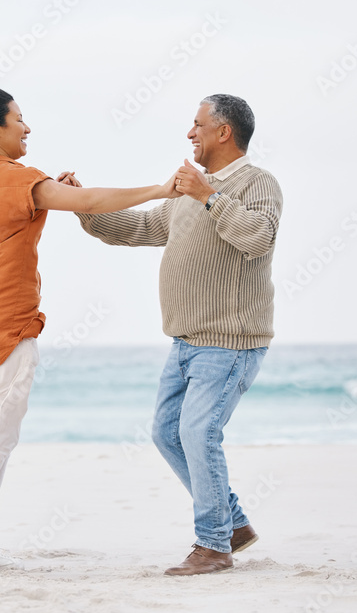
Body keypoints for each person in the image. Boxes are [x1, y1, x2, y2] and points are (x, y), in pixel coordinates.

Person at [0, 83, 179, 574]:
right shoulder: (16, 179)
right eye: (18, 119)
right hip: (1, 323)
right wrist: (162, 190)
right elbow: (92, 202)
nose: (27, 127)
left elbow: (44, 206)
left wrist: (56, 191)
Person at [66, 94, 282, 576]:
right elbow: (139, 227)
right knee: (167, 433)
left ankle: (213, 545)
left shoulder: (258, 183)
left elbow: (258, 238)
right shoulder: (188, 193)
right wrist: (83, 206)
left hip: (230, 342)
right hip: (185, 341)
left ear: (223, 132)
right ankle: (235, 524)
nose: (190, 133)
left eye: (197, 124)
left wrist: (209, 195)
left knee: (197, 431)